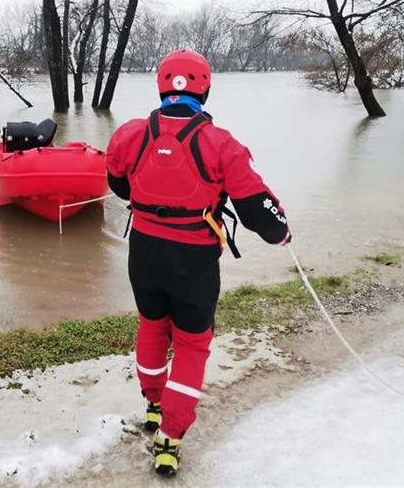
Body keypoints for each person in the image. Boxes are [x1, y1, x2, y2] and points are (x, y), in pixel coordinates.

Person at [105, 49, 291, 476]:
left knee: (152, 325)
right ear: (205, 88)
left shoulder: (131, 133)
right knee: (191, 343)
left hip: (145, 252)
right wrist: (281, 232)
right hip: (195, 261)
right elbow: (256, 206)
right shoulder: (221, 143)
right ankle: (169, 435)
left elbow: (117, 182)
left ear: (161, 86)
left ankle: (153, 404)